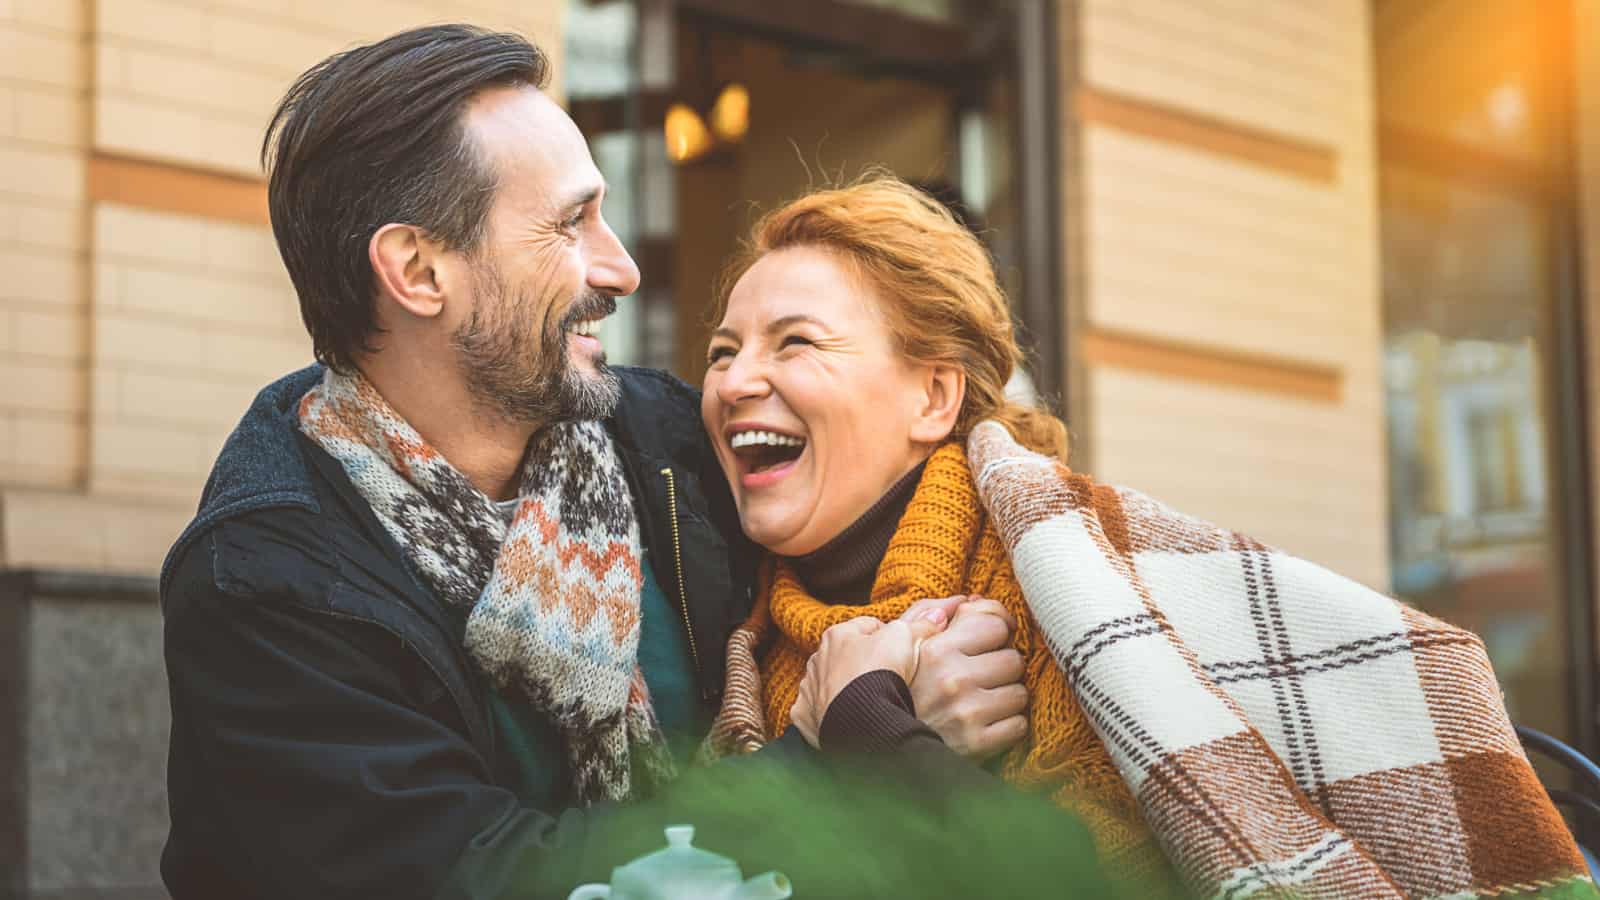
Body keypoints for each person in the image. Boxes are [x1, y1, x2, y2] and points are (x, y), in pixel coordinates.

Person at [158, 25, 1099, 900]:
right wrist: (838, 752)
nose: (622, 268)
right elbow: (492, 880)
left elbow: (880, 500)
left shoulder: (665, 444)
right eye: (571, 226)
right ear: (417, 271)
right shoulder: (269, 582)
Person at [699, 175, 1596, 898]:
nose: (738, 380)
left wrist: (865, 728)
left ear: (933, 397)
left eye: (796, 343)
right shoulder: (742, 633)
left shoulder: (1084, 587)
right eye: (721, 351)